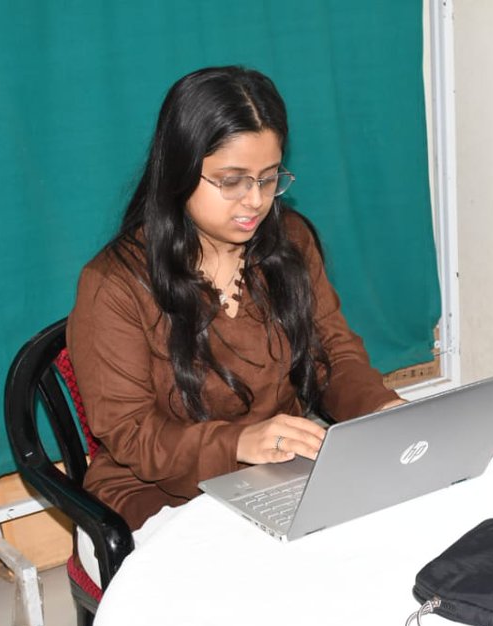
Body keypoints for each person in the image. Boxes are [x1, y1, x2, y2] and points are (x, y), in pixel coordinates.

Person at [68, 66, 402, 534]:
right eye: (232, 181)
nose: (255, 202)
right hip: (156, 493)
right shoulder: (114, 284)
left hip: (273, 472)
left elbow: (333, 356)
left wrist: (382, 410)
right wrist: (238, 443)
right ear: (181, 170)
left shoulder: (289, 242)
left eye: (269, 179)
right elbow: (132, 434)